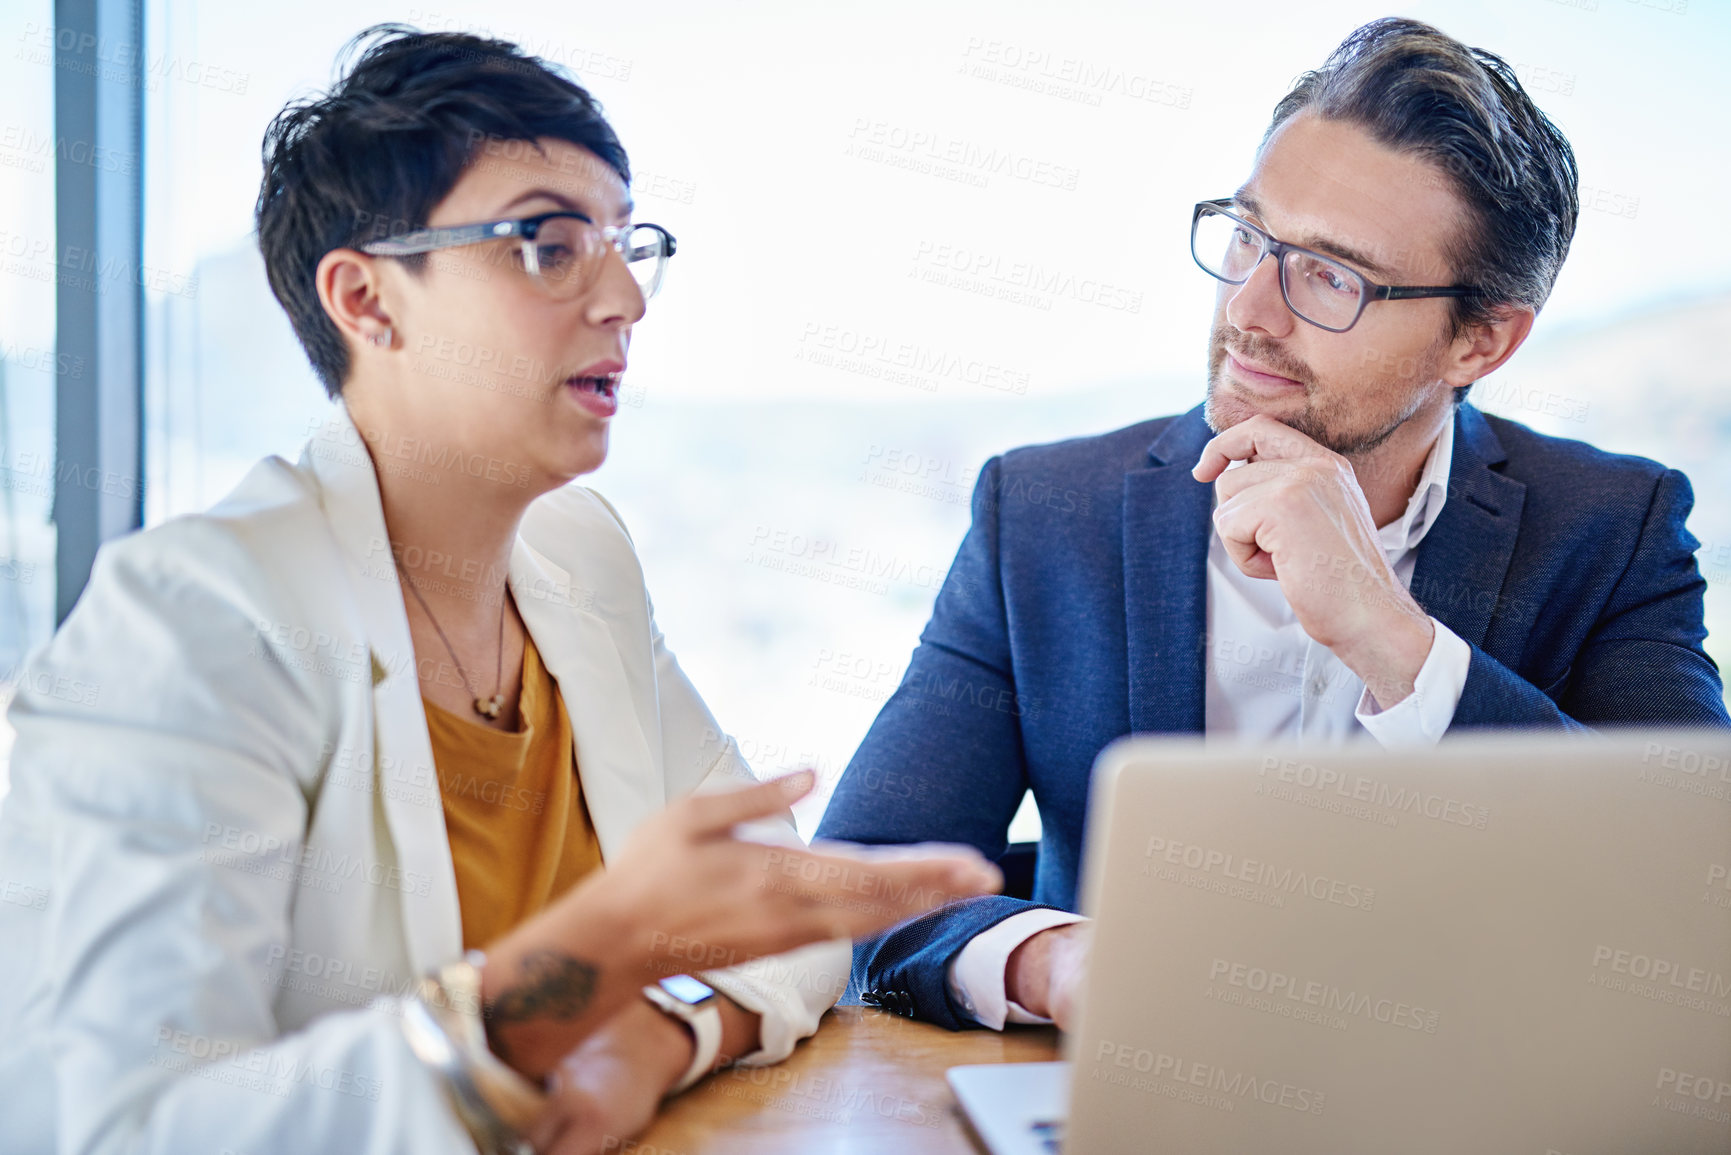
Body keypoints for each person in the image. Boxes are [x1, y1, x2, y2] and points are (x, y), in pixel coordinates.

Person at [0, 26, 999, 1155]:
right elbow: (133, 1128)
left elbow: (783, 914)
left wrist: (654, 1035)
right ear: (368, 302)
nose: (624, 295)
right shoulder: (194, 617)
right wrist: (579, 970)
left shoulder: (578, 558)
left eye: (626, 243)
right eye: (549, 243)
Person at [815, 17, 1730, 1035]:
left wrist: (1392, 638)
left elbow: (1696, 894)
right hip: (1133, 1104)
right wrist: (1057, 965)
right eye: (1252, 236)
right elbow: (853, 891)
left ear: (1479, 340)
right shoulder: (1040, 514)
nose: (1251, 306)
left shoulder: (1613, 526)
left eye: (1331, 275)